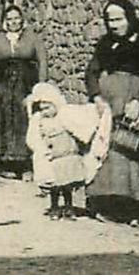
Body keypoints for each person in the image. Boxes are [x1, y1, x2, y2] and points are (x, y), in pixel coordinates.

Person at [84, 0, 139, 223]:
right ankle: (108, 204)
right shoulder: (105, 44)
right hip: (109, 105)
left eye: (119, 19)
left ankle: (138, 209)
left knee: (133, 152)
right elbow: (91, 72)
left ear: (130, 18)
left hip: (135, 103)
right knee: (109, 152)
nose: (114, 25)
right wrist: (96, 96)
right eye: (110, 20)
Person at [25, 82, 110, 220]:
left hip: (67, 156)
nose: (45, 112)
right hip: (54, 158)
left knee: (67, 186)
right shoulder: (41, 122)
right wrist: (42, 150)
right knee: (54, 187)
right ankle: (54, 207)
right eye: (42, 109)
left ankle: (69, 207)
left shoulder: (65, 117)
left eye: (48, 108)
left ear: (55, 104)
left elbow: (79, 128)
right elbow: (34, 138)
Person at [0, 6, 43, 176]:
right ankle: (6, 165)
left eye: (16, 18)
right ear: (5, 22)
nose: (13, 22)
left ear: (22, 20)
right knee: (3, 120)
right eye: (9, 19)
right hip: (3, 86)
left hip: (25, 85)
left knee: (24, 120)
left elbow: (42, 62)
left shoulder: (33, 38)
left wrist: (41, 87)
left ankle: (25, 166)